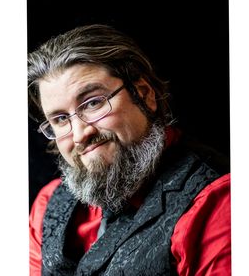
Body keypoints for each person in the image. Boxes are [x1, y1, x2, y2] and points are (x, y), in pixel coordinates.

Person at [28, 24, 231, 276]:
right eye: (60, 119)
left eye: (93, 103)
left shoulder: (219, 203)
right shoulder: (47, 204)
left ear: (144, 94)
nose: (80, 133)